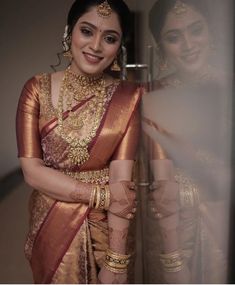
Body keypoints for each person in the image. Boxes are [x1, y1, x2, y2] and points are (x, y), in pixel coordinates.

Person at [16, 0, 142, 283]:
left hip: (107, 228)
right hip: (51, 222)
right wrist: (102, 195)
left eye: (109, 38)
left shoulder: (129, 98)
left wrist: (117, 261)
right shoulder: (37, 89)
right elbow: (32, 172)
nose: (96, 46)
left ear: (120, 46)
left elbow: (121, 180)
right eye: (87, 31)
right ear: (69, 32)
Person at [141, 0, 232, 283]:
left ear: (211, 33)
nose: (188, 44)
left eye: (196, 30)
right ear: (161, 46)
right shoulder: (151, 95)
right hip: (171, 220)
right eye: (173, 37)